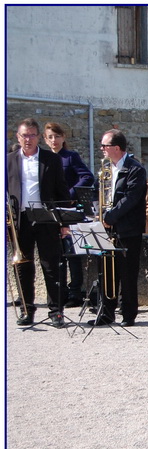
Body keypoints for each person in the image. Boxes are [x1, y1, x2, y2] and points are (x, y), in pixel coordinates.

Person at [6, 118, 70, 327]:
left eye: (32, 135)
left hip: (46, 217)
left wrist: (63, 222)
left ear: (38, 137)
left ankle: (55, 311)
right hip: (20, 219)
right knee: (23, 266)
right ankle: (27, 309)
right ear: (18, 137)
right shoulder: (8, 160)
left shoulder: (51, 160)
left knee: (51, 265)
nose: (28, 139)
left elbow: (61, 191)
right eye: (24, 135)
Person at [92, 129, 147, 327]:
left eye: (104, 146)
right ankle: (105, 313)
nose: (102, 149)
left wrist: (110, 216)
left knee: (127, 272)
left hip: (128, 229)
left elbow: (131, 199)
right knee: (106, 272)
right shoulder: (106, 169)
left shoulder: (135, 169)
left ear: (116, 148)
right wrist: (100, 215)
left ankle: (128, 314)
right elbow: (97, 192)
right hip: (107, 228)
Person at [43, 122, 95, 307]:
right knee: (56, 253)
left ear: (63, 138)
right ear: (45, 140)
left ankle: (75, 292)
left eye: (57, 136)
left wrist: (70, 195)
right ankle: (61, 291)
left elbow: (87, 177)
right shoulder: (45, 159)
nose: (54, 140)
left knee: (72, 252)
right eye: (50, 137)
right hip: (51, 211)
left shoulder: (70, 157)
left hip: (69, 209)